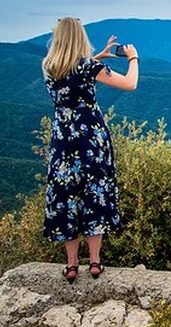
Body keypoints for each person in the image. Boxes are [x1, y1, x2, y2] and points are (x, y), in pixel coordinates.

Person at [42, 17, 139, 283]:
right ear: (80, 38)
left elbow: (72, 73)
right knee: (93, 194)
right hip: (91, 142)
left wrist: (100, 56)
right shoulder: (88, 67)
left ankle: (72, 265)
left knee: (67, 198)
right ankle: (95, 262)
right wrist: (133, 58)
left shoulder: (50, 67)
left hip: (63, 142)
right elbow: (130, 84)